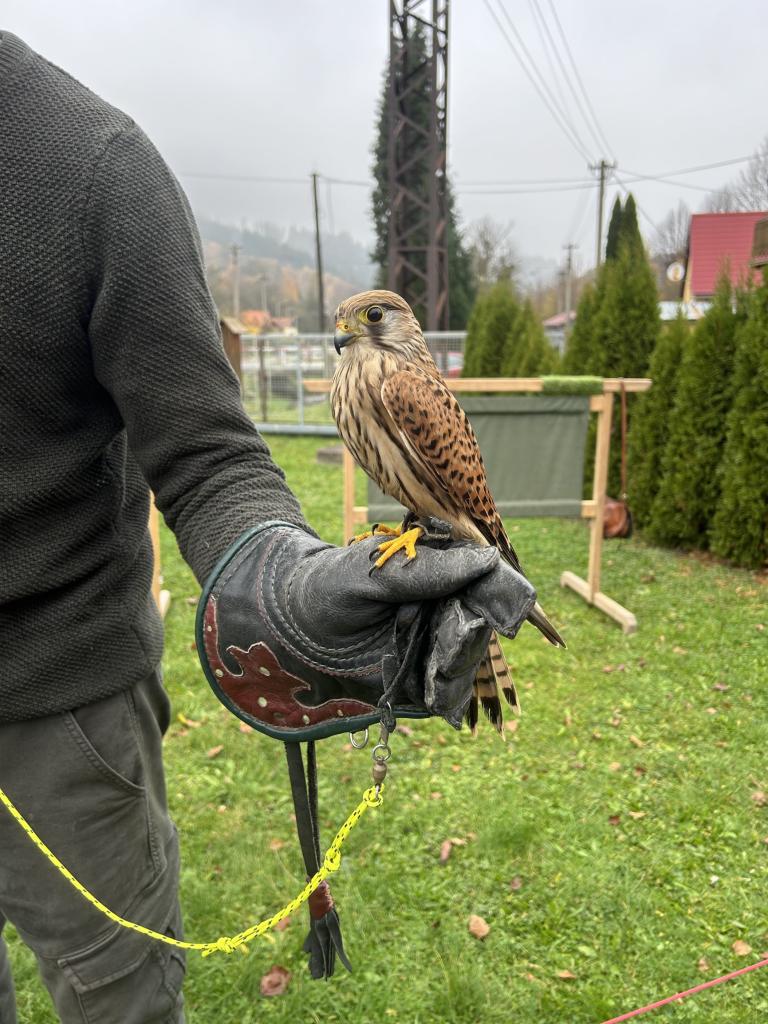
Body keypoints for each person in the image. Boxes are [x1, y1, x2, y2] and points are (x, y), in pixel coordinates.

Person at [0, 30, 534, 1023]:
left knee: (115, 989)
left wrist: (281, 584)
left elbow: (206, 451)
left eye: (368, 321)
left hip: (54, 696)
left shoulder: (87, 165)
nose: (350, 334)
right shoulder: (361, 382)